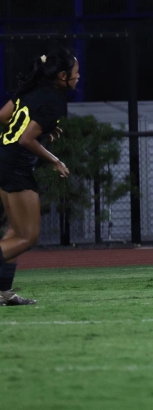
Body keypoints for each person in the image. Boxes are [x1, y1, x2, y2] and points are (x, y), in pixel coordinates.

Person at [0, 48, 78, 306]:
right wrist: (55, 160)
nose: (79, 77)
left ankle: (4, 293)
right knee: (28, 237)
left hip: (4, 159)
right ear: (63, 75)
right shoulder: (54, 101)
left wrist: (42, 130)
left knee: (15, 231)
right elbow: (26, 139)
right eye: (76, 73)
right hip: (17, 167)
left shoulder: (31, 91)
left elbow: (3, 117)